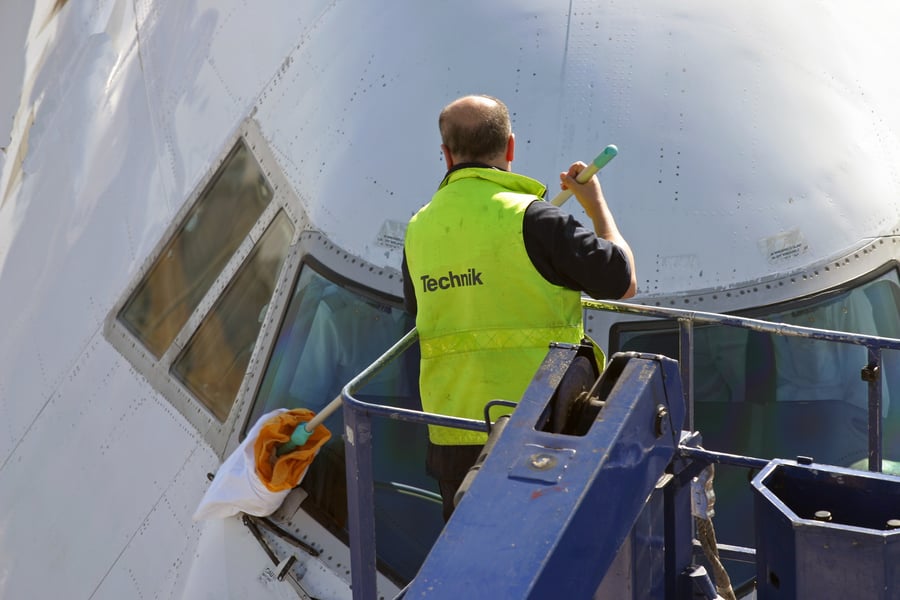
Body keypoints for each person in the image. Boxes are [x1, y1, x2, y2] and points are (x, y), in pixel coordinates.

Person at [402, 94, 637, 520]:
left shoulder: (418, 229)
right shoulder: (536, 219)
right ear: (509, 148)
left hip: (454, 435)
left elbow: (420, 311)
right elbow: (623, 282)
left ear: (446, 155)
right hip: (543, 431)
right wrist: (594, 204)